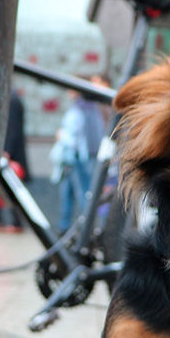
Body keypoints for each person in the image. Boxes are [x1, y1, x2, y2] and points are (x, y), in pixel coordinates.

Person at [51, 75, 108, 234]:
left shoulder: (81, 109)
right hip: (81, 158)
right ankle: (69, 227)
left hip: (78, 158)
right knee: (71, 194)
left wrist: (62, 136)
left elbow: (76, 138)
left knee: (82, 195)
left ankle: (83, 229)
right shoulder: (91, 108)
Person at [0, 89, 28, 233]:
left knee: (12, 188)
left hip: (9, 155)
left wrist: (6, 151)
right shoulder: (7, 99)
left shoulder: (12, 100)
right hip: (4, 152)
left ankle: (15, 222)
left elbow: (12, 128)